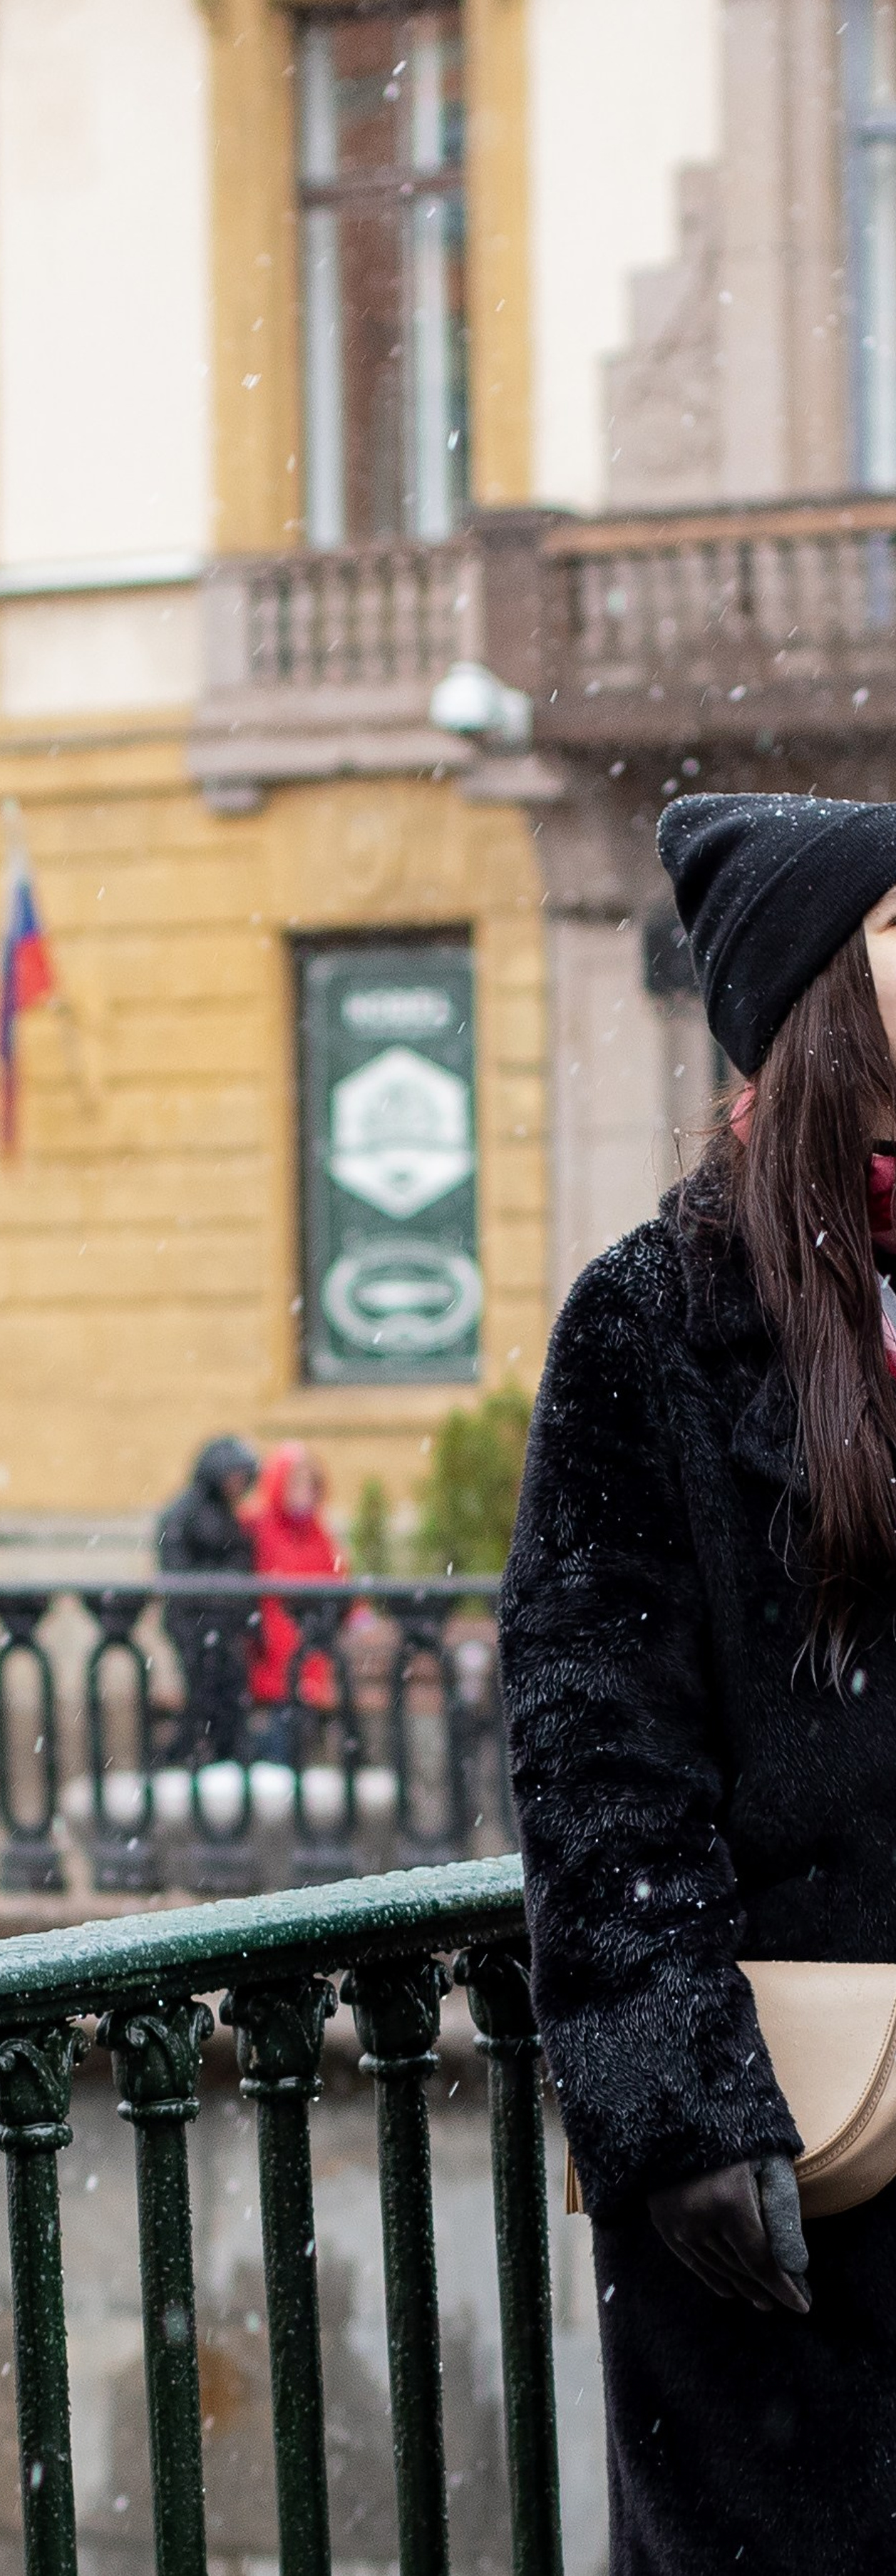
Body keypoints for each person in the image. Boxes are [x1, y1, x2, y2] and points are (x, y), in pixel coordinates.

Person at [500, 789, 896, 2576]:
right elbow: (596, 1751)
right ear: (816, 1000)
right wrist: (679, 2102)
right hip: (799, 2177)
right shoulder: (651, 1319)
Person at [156, 1436, 257, 1764]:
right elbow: (178, 1570)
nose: (237, 1485)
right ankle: (195, 1756)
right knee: (204, 1695)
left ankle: (223, 1757)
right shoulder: (186, 1514)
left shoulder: (224, 1515)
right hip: (195, 1624)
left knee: (226, 1695)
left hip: (221, 1625)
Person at [243, 1443, 346, 1753]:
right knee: (280, 1726)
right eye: (296, 1484)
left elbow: (337, 1578)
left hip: (310, 1646)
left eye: (310, 1485)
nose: (304, 1493)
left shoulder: (318, 1533)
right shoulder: (259, 1529)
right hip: (273, 1649)